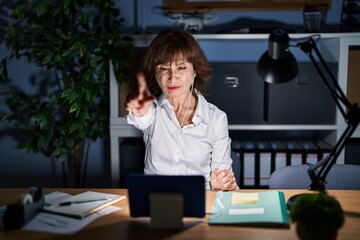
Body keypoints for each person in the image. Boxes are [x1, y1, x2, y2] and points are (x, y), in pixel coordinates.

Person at [125, 28, 237, 190]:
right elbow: (142, 119)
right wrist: (139, 112)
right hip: (156, 199)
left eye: (181, 67)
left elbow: (223, 174)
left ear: (195, 71)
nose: (172, 77)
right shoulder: (152, 110)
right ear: (156, 74)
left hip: (200, 200)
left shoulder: (216, 118)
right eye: (164, 69)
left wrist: (220, 182)